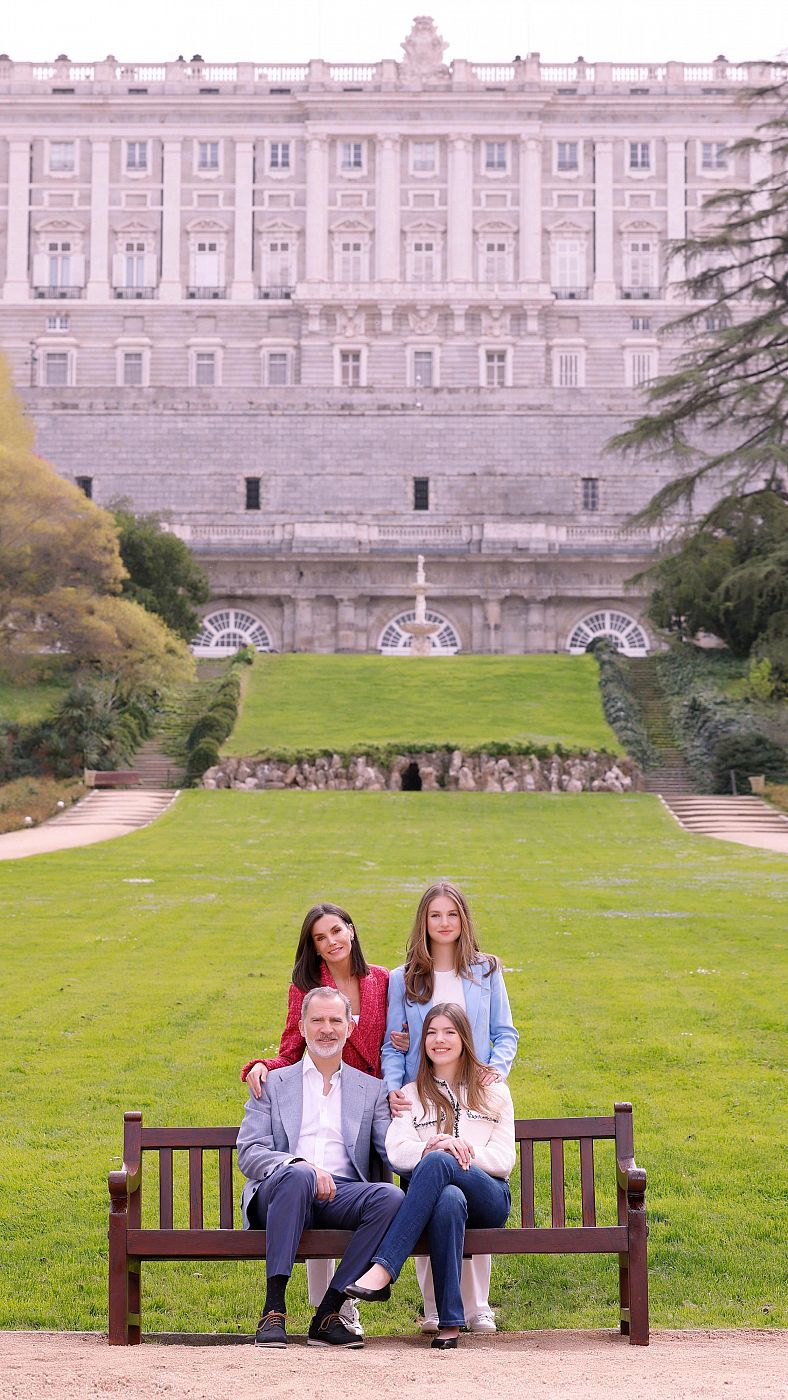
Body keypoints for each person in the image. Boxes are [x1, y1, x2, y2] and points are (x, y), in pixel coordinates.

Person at [239, 903, 409, 1334]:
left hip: (341, 1194)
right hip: (280, 1193)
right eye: (318, 1021)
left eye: (336, 1020)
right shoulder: (274, 1084)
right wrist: (299, 1166)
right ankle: (273, 1310)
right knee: (297, 1178)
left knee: (389, 1198)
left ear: (350, 1026)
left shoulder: (368, 1090)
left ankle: (330, 1310)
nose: (327, 1029)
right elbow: (250, 1152)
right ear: (303, 1024)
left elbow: (390, 1146)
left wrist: (431, 1144)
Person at [381, 881, 518, 1332]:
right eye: (434, 915)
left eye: (452, 915)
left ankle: (471, 1304)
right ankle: (441, 1309)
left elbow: (505, 1032)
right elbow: (394, 1043)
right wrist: (397, 1090)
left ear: (463, 921)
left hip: (474, 1092)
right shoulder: (404, 978)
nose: (443, 923)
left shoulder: (485, 971)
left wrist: (492, 1071)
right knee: (441, 1188)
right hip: (425, 1096)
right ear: (423, 921)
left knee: (451, 1168)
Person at [347, 1004, 515, 1349]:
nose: (440, 1040)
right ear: (422, 1041)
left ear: (464, 1038)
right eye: (432, 1032)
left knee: (442, 1159)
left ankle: (383, 1269)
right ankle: (449, 1323)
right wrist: (427, 1150)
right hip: (438, 1200)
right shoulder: (411, 1095)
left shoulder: (493, 1091)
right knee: (448, 1199)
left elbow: (503, 1160)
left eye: (449, 1032)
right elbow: (395, 1150)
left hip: (489, 1195)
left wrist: (459, 1150)